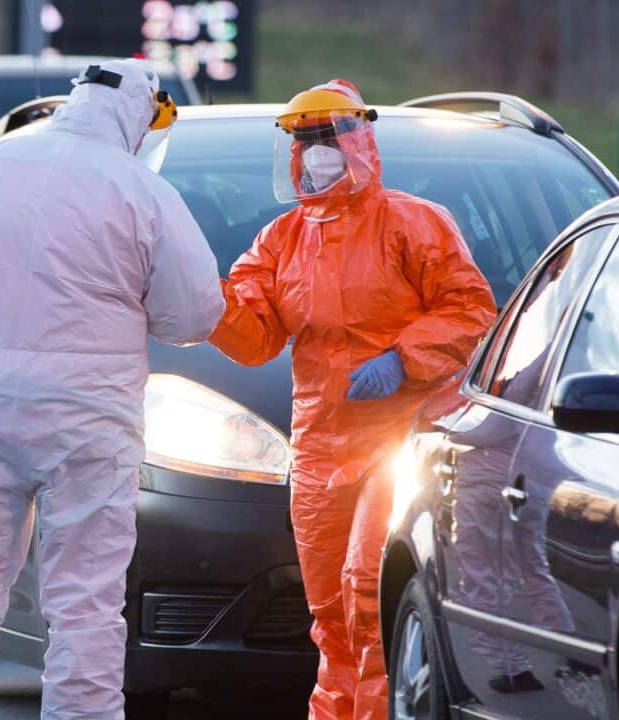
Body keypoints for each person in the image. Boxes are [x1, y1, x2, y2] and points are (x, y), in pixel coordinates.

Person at [0, 59, 224, 720]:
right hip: (87, 421)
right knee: (84, 600)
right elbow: (193, 315)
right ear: (141, 116)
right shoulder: (141, 190)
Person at [208, 79, 496, 720]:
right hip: (320, 445)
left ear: (359, 140)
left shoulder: (413, 224)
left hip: (400, 435)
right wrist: (204, 299)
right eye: (306, 140)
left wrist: (404, 358)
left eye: (329, 136)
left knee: (369, 590)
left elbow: (470, 310)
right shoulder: (282, 240)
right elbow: (255, 335)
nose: (318, 151)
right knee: (330, 613)